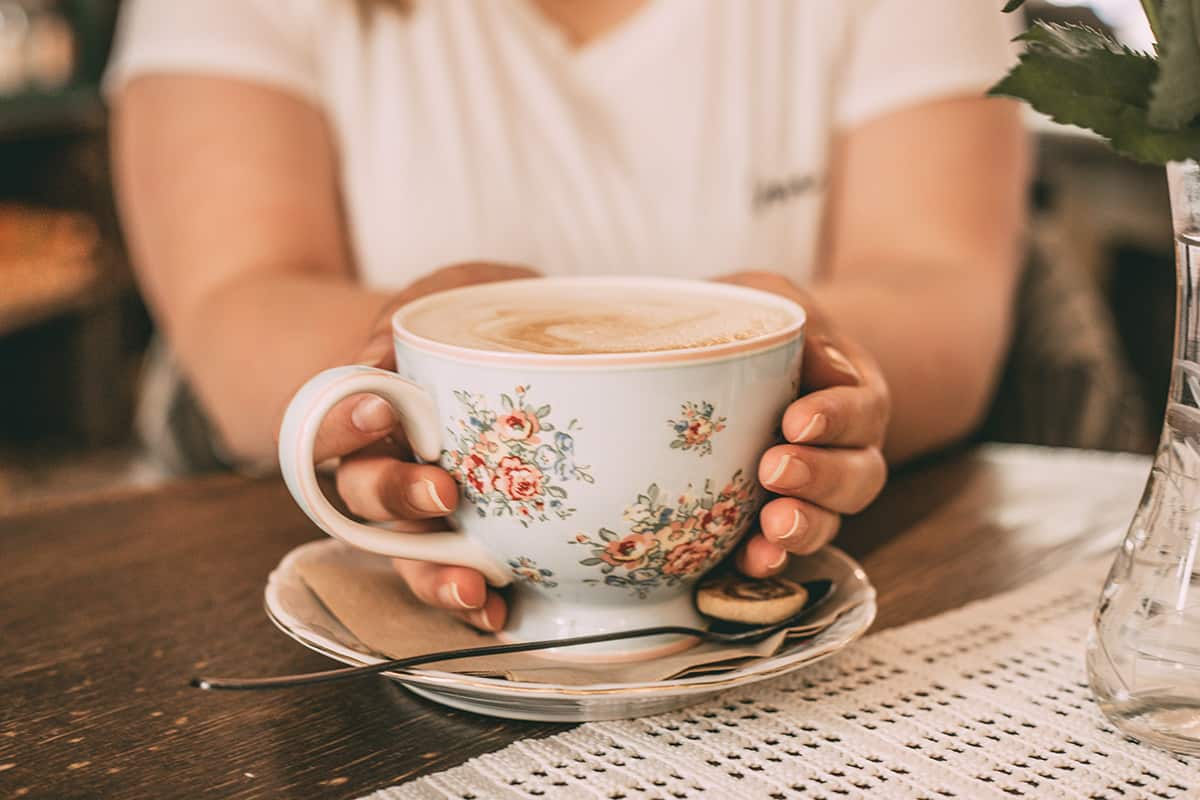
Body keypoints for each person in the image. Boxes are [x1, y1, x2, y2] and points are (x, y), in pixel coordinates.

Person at [105, 0, 1029, 632]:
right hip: (306, 590)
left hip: (818, 580)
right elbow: (238, 311)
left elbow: (940, 282)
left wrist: (810, 349)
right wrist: (415, 347)